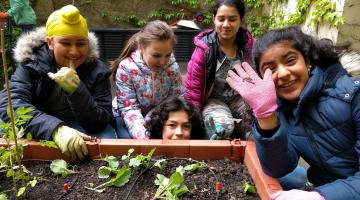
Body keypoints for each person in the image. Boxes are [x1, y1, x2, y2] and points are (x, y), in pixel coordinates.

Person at [226, 26, 360, 199]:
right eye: (270, 69)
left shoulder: (352, 95)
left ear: (307, 61)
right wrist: (266, 116)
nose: (282, 73)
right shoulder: (280, 107)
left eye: (290, 61)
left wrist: (319, 197)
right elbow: (279, 168)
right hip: (322, 186)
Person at [0, 5, 116, 161]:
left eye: (81, 44)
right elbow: (10, 103)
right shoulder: (32, 63)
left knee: (108, 137)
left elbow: (101, 121)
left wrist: (76, 90)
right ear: (50, 43)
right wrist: (55, 129)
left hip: (79, 123)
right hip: (39, 122)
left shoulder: (98, 71)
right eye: (66, 43)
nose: (74, 52)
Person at [184, 0, 255, 140]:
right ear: (214, 20)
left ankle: (253, 155)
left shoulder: (250, 46)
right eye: (221, 19)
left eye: (232, 19)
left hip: (241, 98)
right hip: (214, 101)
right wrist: (192, 123)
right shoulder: (204, 50)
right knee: (222, 129)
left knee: (256, 122)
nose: (226, 24)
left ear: (241, 20)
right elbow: (194, 90)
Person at [111, 20, 184, 140]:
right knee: (127, 141)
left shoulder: (173, 68)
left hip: (157, 115)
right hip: (125, 114)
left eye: (167, 55)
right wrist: (144, 136)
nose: (162, 62)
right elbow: (128, 107)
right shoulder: (126, 68)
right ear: (141, 47)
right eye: (156, 56)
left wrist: (153, 120)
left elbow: (175, 100)